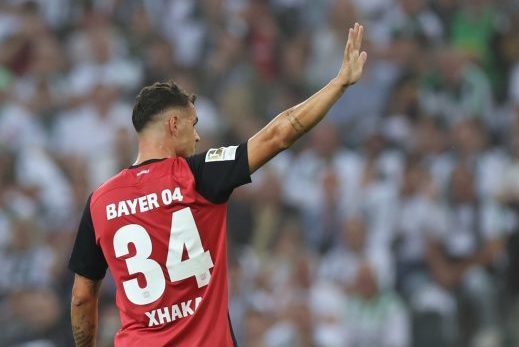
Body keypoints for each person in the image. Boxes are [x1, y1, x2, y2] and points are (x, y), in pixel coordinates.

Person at [67, 23, 367, 347]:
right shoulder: (197, 175)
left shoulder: (100, 201)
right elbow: (278, 134)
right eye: (193, 124)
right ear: (173, 124)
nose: (196, 136)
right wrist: (338, 84)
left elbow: (83, 298)